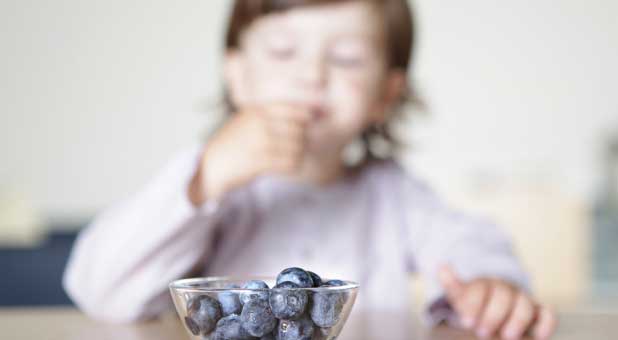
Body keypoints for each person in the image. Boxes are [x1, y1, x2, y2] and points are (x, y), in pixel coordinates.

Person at [63, 1, 557, 339]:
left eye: (345, 58)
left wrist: (488, 284)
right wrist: (205, 175)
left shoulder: (392, 196)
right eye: (282, 51)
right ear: (235, 74)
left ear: (386, 93)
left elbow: (468, 244)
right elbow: (98, 288)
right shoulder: (212, 195)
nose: (312, 75)